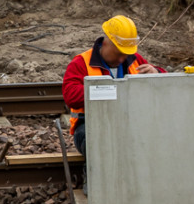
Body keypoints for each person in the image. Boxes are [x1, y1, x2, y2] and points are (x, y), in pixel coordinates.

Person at [62, 14, 165, 164]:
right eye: (119, 54)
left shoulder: (134, 59)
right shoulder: (81, 63)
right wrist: (107, 91)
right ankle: (95, 179)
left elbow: (166, 84)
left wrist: (157, 72)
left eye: (126, 54)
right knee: (99, 145)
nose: (122, 59)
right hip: (90, 125)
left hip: (131, 123)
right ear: (105, 43)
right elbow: (70, 96)